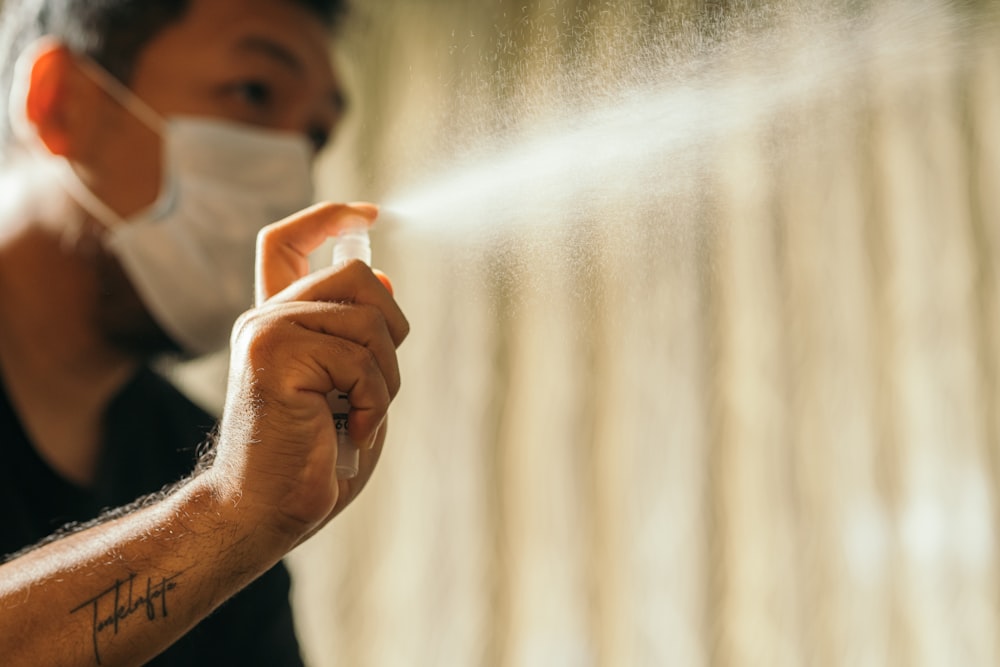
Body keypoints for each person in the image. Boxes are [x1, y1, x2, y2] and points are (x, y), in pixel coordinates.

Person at [0, 0, 409, 664]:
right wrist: (225, 516)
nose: (290, 176)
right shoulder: (223, 493)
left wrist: (244, 514)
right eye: (253, 92)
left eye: (313, 136)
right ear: (58, 101)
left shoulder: (203, 454)